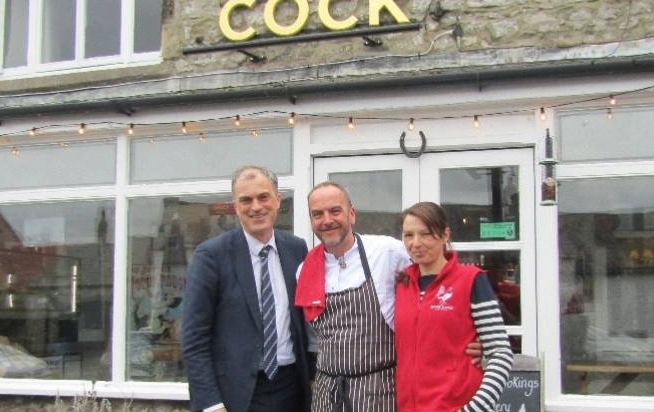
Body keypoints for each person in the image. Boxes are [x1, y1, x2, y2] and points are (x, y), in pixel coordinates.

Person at [295, 182, 484, 412]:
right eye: (317, 214)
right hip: (328, 394)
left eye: (335, 211)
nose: (327, 220)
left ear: (352, 214)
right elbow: (312, 338)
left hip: (379, 390)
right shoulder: (305, 270)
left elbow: (441, 287)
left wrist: (474, 334)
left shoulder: (387, 252)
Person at [182, 166, 314, 412]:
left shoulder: (297, 249)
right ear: (235, 206)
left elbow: (303, 323)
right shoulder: (211, 256)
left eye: (263, 197)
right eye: (246, 200)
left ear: (277, 200)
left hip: (292, 389)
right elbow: (194, 339)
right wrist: (211, 404)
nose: (256, 207)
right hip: (237, 395)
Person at [395, 202, 513, 412]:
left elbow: (501, 355)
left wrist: (474, 409)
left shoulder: (471, 280)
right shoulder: (402, 286)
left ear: (445, 235)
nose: (416, 243)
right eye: (408, 235)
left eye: (426, 234)